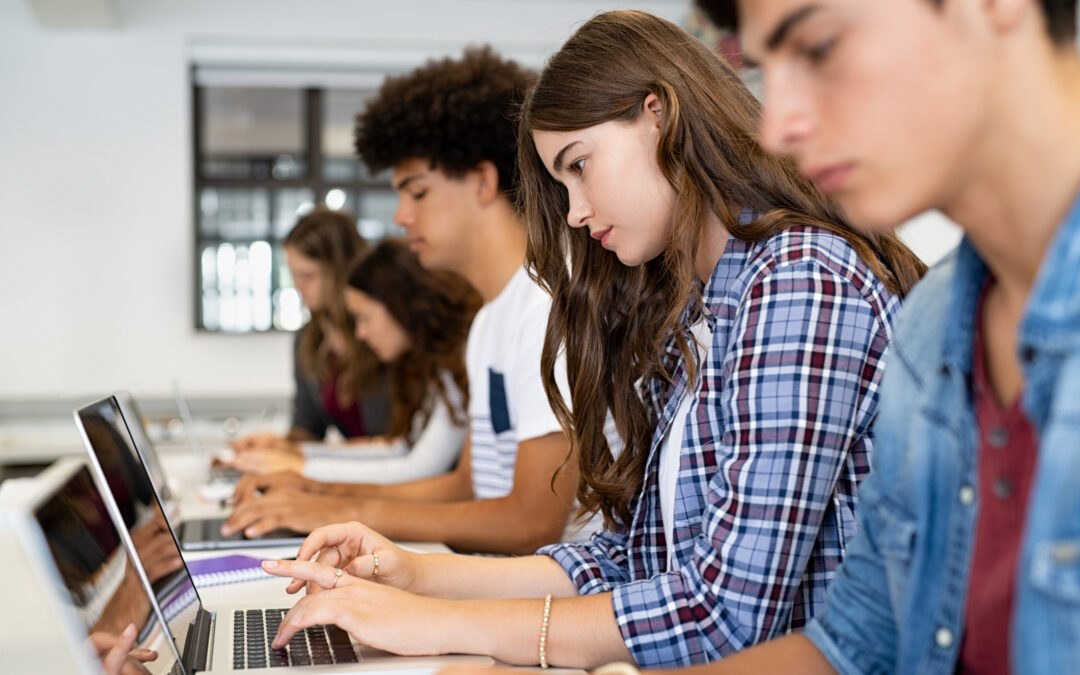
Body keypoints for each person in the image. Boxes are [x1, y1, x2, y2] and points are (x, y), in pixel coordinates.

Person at [255, 11, 926, 669]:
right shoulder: (695, 304)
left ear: (658, 115)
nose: (574, 212)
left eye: (580, 165)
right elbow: (631, 557)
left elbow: (723, 614)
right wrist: (416, 575)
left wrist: (436, 622)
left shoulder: (797, 280)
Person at [565, 1, 1079, 673]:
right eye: (767, 69)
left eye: (818, 48)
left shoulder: (806, 274)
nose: (779, 128)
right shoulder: (932, 327)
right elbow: (856, 640)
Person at [223, 46, 583, 555]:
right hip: (496, 581)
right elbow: (467, 486)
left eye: (416, 192)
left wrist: (339, 512)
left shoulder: (547, 308)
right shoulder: (490, 323)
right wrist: (321, 493)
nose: (400, 217)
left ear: (482, 182)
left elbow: (530, 522)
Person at [227, 238, 481, 484]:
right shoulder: (437, 363)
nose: (360, 333)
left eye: (363, 318)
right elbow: (400, 448)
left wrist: (301, 467)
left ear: (398, 306)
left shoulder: (460, 359)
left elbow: (420, 467)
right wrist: (297, 454)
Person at [231, 207, 389, 453]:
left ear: (342, 270)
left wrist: (329, 455)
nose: (297, 286)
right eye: (293, 275)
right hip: (351, 476)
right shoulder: (308, 338)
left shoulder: (385, 334)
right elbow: (308, 428)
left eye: (308, 275)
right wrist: (278, 446)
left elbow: (399, 446)